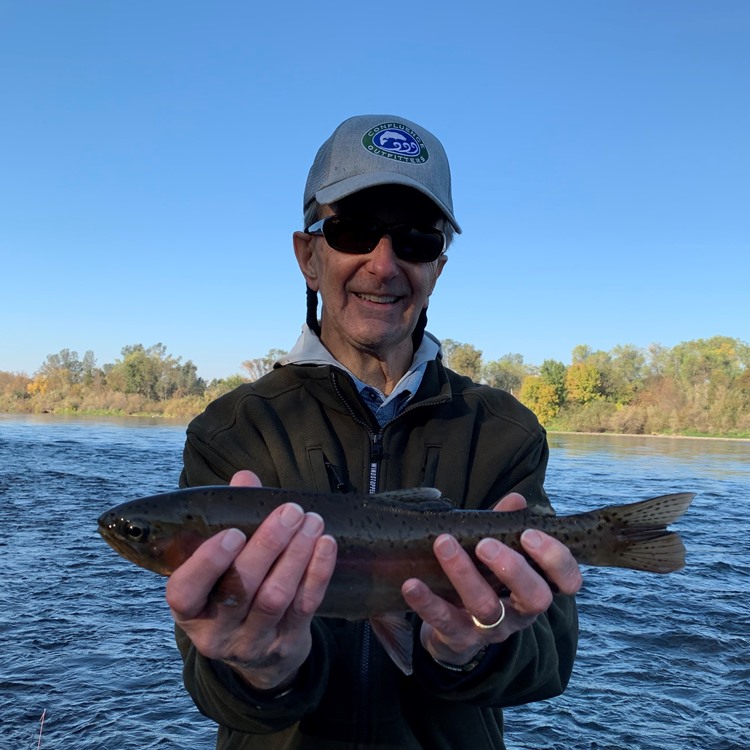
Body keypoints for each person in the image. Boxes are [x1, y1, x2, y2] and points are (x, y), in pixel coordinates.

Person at [165, 114, 582, 749]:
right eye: (353, 231)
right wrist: (261, 671)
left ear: (438, 266)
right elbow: (207, 679)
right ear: (309, 255)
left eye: (414, 239)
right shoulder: (232, 430)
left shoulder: (504, 430)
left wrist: (468, 652)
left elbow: (550, 658)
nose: (383, 265)